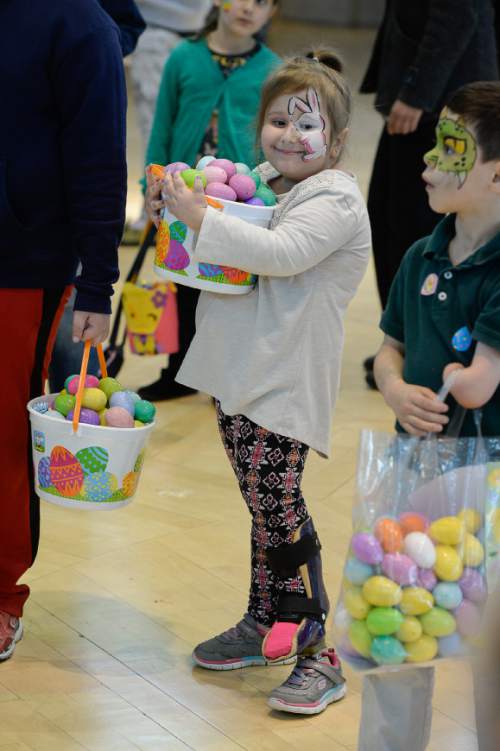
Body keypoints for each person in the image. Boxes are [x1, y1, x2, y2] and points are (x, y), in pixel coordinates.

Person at [146, 49, 371, 713]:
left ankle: (317, 651)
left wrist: (201, 216)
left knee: (278, 506)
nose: (290, 135)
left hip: (283, 382)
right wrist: (176, 203)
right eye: (278, 120)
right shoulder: (264, 181)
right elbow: (218, 238)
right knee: (260, 509)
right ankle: (260, 619)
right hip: (240, 376)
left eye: (307, 125)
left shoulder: (336, 199)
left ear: (339, 139)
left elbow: (279, 253)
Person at [365, 81, 500, 750]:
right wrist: (393, 389)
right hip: (413, 468)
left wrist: (451, 376)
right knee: (393, 622)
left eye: (452, 150)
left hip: (488, 482)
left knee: (491, 642)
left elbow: (479, 384)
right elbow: (387, 351)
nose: (427, 164)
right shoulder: (420, 255)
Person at [0, 0, 127, 660]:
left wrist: (99, 280)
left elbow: (99, 157)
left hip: (20, 262)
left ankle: (1, 593)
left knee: (1, 430)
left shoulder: (80, 23)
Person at [139, 0, 280, 401]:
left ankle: (225, 378)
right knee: (184, 279)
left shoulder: (271, 67)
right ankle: (179, 371)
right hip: (184, 193)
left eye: (263, 2)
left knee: (230, 287)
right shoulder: (184, 57)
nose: (249, 9)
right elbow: (161, 126)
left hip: (239, 201)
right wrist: (149, 185)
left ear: (273, 12)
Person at [360, 0, 498, 388]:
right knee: (391, 219)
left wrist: (418, 91)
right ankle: (406, 338)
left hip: (440, 100)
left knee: (412, 220)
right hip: (426, 93)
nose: (431, 162)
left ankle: (442, 342)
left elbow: (459, 11)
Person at [48, 0, 145, 393]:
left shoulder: (88, 32)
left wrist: (84, 55)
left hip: (61, 231)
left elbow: (126, 23)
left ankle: (74, 429)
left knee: (74, 357)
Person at [123, 0, 212, 243]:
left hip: (181, 32)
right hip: (168, 31)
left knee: (164, 126)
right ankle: (156, 209)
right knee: (161, 126)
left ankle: (157, 213)